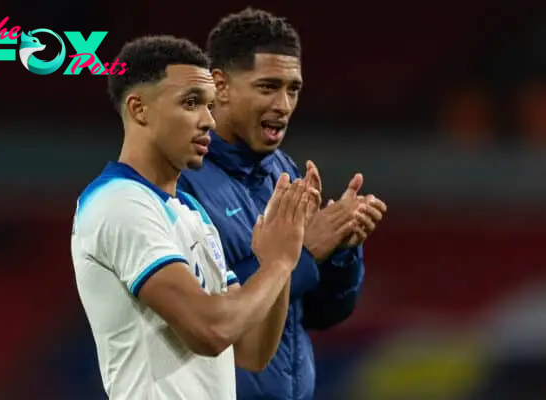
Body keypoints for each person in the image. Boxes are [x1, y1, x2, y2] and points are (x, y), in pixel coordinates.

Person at [70, 34, 320, 400]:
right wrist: (278, 265)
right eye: (191, 103)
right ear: (139, 109)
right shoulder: (120, 203)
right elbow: (211, 330)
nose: (209, 121)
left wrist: (283, 250)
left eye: (209, 105)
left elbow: (251, 350)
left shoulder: (191, 213)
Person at [178, 8, 387, 400]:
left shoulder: (282, 172)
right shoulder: (181, 176)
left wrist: (341, 251)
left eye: (293, 89)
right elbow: (208, 311)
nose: (284, 104)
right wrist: (306, 250)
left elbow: (323, 315)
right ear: (220, 85)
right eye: (268, 87)